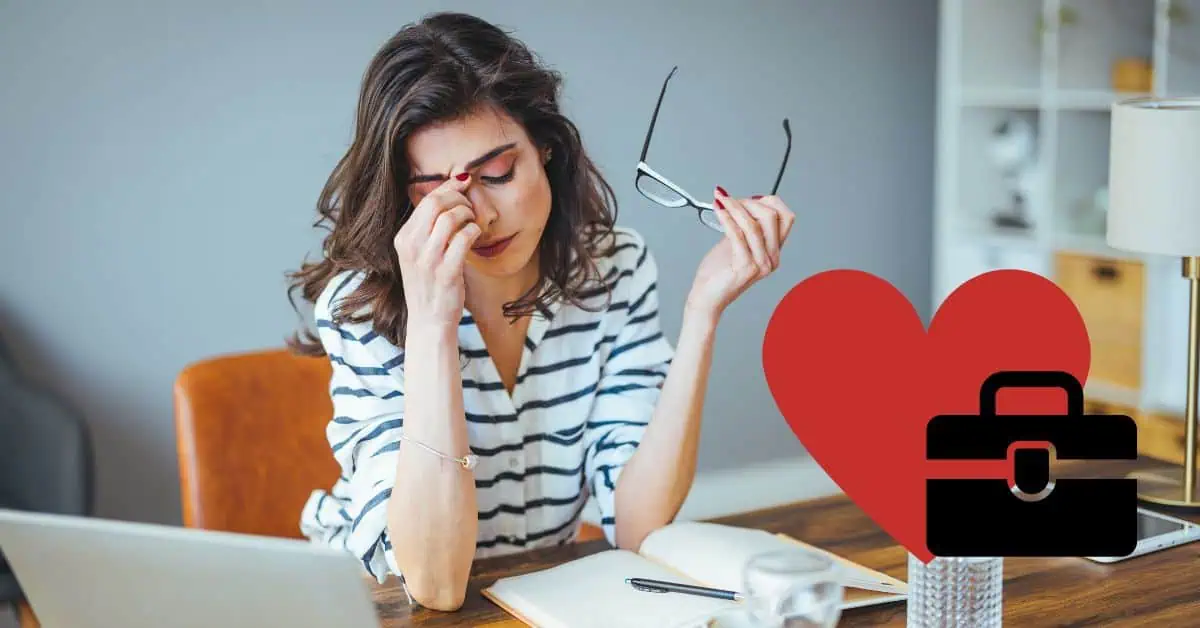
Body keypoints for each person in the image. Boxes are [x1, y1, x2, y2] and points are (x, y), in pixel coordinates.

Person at [285, 11, 795, 612]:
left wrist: (702, 315)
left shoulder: (613, 269)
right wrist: (431, 324)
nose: (481, 216)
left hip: (532, 602)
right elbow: (436, 584)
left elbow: (638, 529)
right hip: (375, 606)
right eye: (436, 194)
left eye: (499, 173)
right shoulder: (363, 309)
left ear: (546, 147)